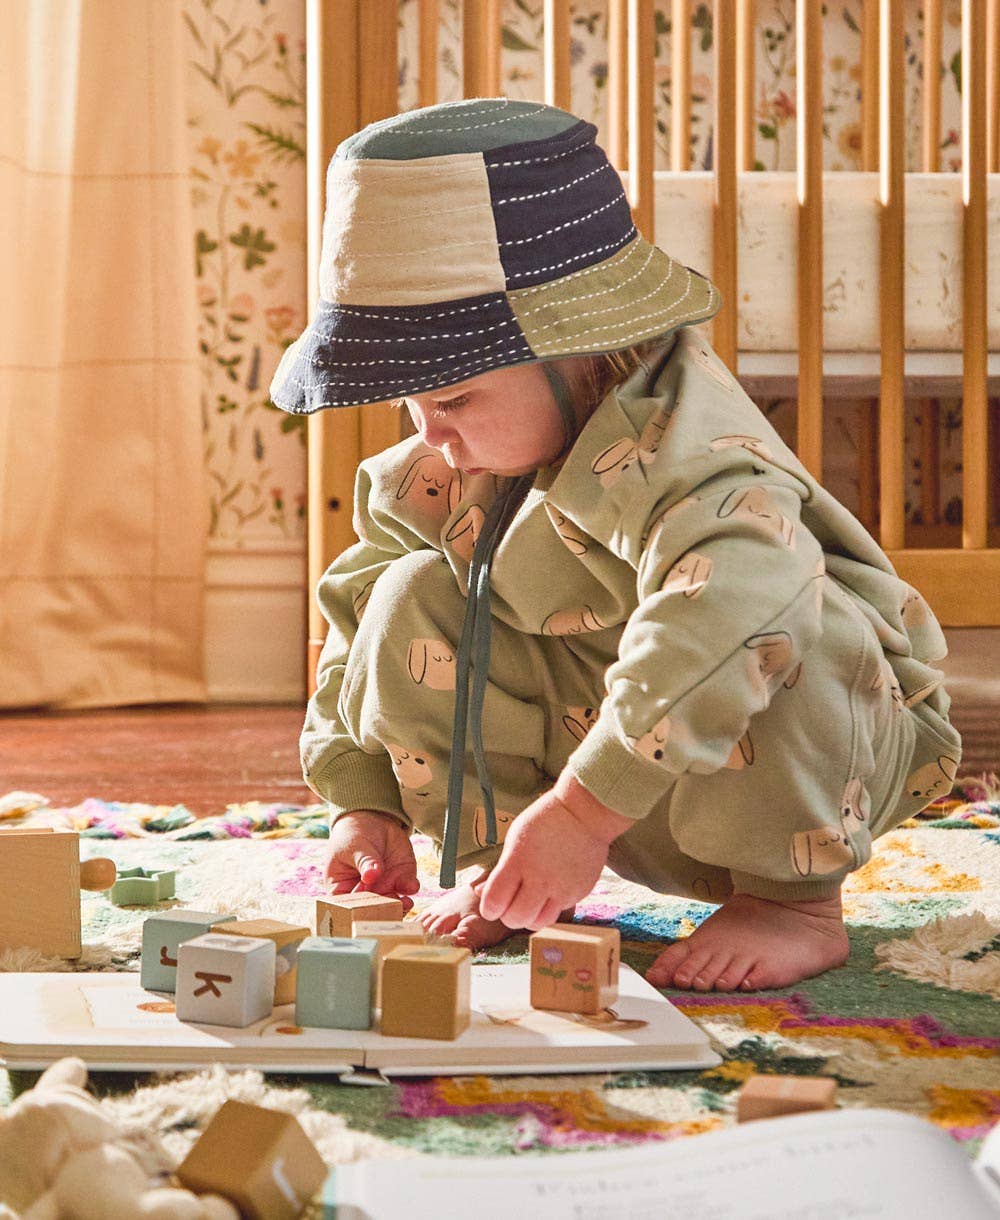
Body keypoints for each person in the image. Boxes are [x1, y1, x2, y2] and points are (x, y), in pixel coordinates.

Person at [269, 97, 961, 992]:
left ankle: (796, 909)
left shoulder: (699, 452)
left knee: (788, 613)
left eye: (453, 399)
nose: (429, 431)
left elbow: (729, 611)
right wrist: (362, 800)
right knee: (405, 587)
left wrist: (583, 815)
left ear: (575, 348)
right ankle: (501, 868)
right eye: (415, 403)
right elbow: (357, 605)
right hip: (596, 799)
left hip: (789, 781)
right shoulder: (449, 466)